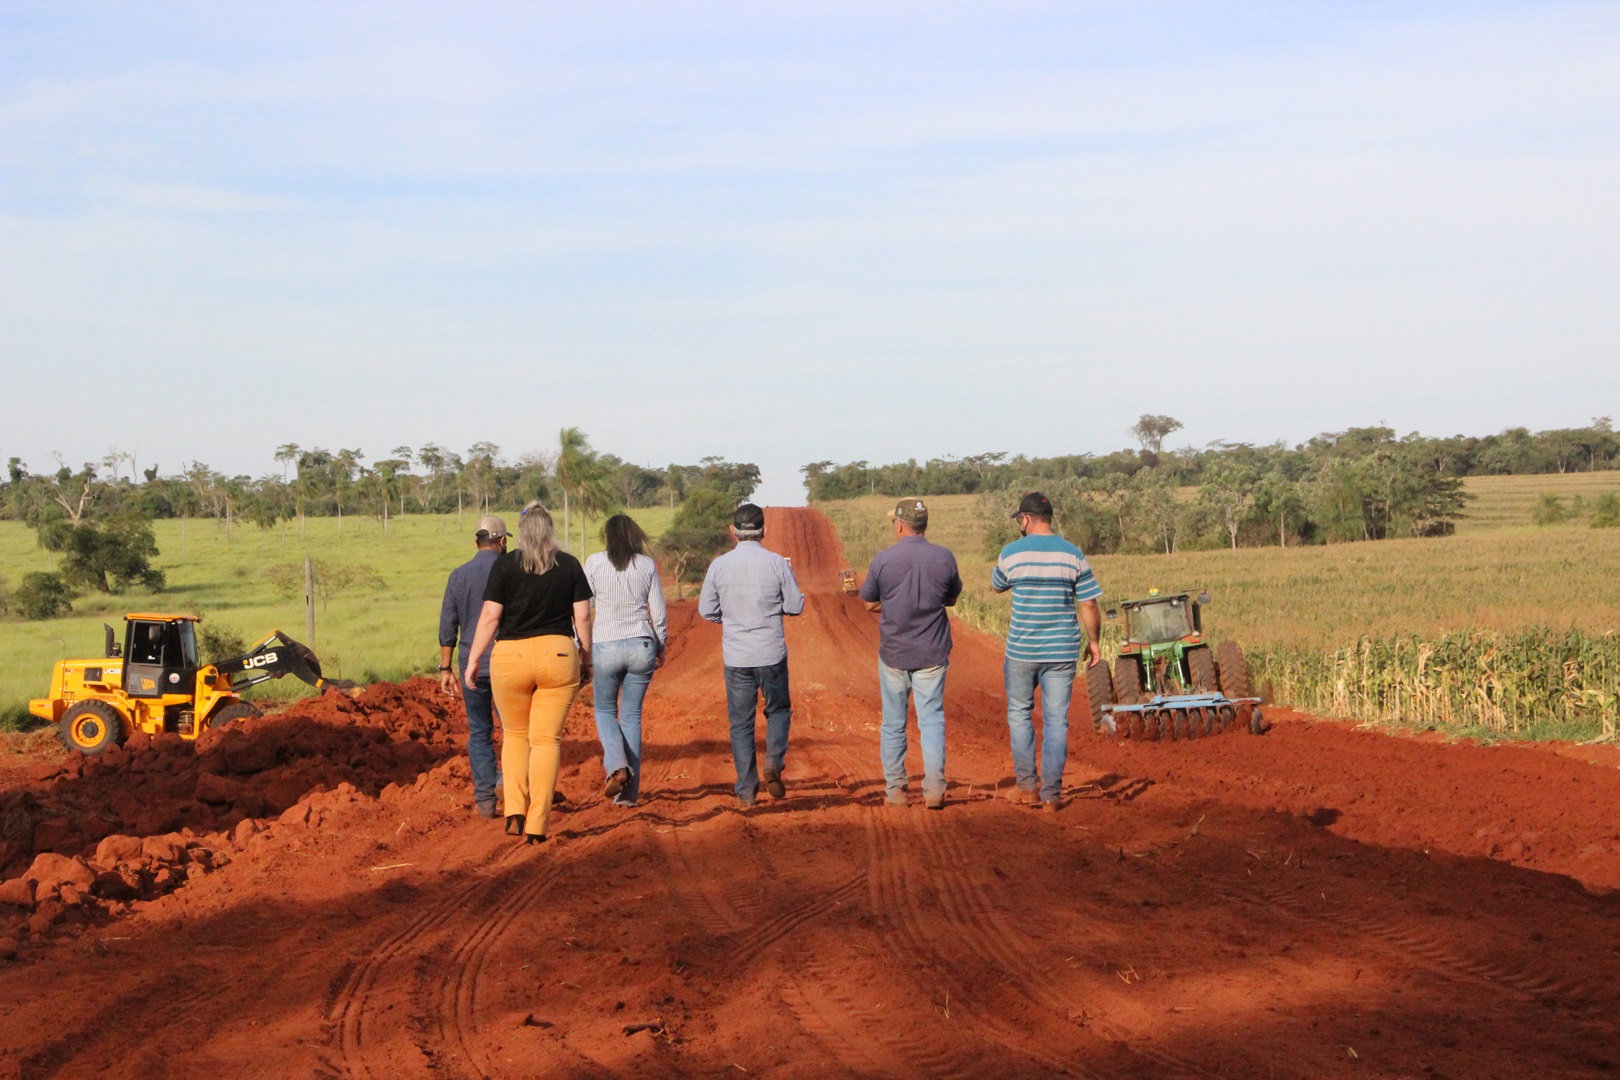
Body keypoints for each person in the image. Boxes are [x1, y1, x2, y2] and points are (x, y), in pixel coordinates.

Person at [464, 502, 593, 845]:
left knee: (516, 735)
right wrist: (586, 655)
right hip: (558, 654)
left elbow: (491, 615)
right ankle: (537, 824)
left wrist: (474, 658)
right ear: (550, 529)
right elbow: (582, 617)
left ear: (518, 534)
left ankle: (514, 810)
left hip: (510, 658)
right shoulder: (569, 564)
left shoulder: (505, 565)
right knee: (546, 740)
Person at [990, 491, 1104, 812]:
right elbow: (1089, 604)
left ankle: (1027, 788)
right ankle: (1052, 794)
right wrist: (1094, 643)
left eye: (1020, 520)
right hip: (1062, 650)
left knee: (1019, 714)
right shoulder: (1074, 554)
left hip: (1022, 650)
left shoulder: (1011, 552)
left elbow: (997, 584)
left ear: (1024, 519)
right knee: (1056, 721)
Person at [698, 503, 805, 808]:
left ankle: (746, 791)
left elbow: (707, 609)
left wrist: (731, 618)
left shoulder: (719, 565)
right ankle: (773, 762)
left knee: (741, 724)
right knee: (779, 711)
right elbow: (795, 606)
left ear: (733, 532)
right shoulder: (776, 563)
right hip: (771, 653)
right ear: (764, 531)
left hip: (737, 657)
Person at [858, 498, 963, 810]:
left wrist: (890, 604)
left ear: (900, 525)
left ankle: (896, 792)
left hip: (894, 653)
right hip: (932, 651)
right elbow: (951, 598)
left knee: (893, 723)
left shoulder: (883, 560)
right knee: (931, 720)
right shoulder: (944, 558)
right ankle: (934, 791)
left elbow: (868, 602)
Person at [584, 513, 668, 809]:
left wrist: (581, 646)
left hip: (606, 645)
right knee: (631, 717)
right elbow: (657, 612)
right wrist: (660, 646)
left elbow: (584, 607)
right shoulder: (646, 565)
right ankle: (628, 796)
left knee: (605, 711)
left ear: (606, 536)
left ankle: (617, 766)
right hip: (641, 645)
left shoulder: (594, 563)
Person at [437, 515, 508, 818]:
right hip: (508, 660)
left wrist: (444, 668)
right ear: (503, 542)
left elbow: (447, 624)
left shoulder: (458, 575)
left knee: (480, 731)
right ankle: (510, 782)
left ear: (475, 541)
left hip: (471, 664)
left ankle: (485, 800)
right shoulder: (511, 571)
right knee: (515, 729)